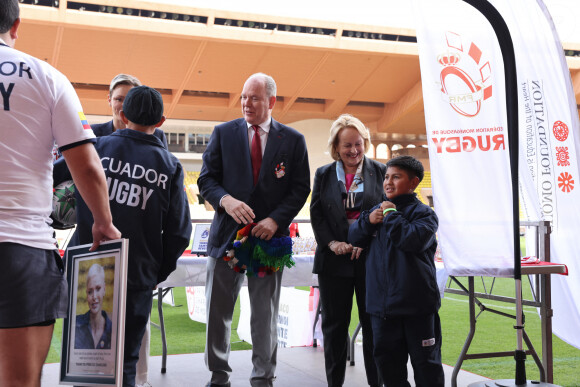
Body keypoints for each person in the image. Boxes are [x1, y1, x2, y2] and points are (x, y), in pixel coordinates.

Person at [0, 1, 121, 386]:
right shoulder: (46, 77)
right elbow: (85, 165)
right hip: (20, 250)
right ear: (16, 26)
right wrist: (102, 222)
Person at [54, 85, 192, 386]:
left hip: (86, 272)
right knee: (125, 365)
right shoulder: (169, 166)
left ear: (123, 114)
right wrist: (155, 271)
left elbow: (48, 175)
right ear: (161, 122)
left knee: (85, 365)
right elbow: (180, 232)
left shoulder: (95, 148)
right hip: (136, 277)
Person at [198, 72, 310, 387]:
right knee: (217, 311)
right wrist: (226, 201)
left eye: (255, 97)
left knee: (265, 314)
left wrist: (276, 220)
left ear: (271, 101)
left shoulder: (293, 140)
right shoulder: (223, 133)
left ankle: (263, 376)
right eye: (244, 96)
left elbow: (300, 188)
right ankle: (218, 374)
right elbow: (207, 179)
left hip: (269, 240)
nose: (247, 103)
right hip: (226, 240)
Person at [348, 155, 444, 387]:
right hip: (382, 309)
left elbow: (410, 240)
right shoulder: (374, 212)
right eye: (387, 177)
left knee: (427, 368)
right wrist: (368, 221)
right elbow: (353, 238)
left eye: (396, 177)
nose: (388, 182)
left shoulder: (425, 214)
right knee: (389, 370)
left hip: (417, 308)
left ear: (413, 183)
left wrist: (391, 215)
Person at [310, 114, 383, 387]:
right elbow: (317, 215)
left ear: (365, 142)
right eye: (346, 146)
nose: (354, 150)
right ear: (336, 148)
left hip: (370, 261)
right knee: (335, 329)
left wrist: (363, 240)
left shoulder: (381, 171)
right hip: (333, 262)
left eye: (358, 143)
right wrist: (332, 243)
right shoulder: (323, 174)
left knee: (374, 328)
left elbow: (387, 212)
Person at [91, 73, 167, 147]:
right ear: (109, 100)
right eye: (119, 99)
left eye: (130, 100)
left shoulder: (158, 135)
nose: (124, 105)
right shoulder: (93, 132)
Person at [75, 263, 113, 350]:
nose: (94, 296)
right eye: (90, 291)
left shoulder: (113, 329)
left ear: (104, 289)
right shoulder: (76, 325)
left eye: (98, 288)